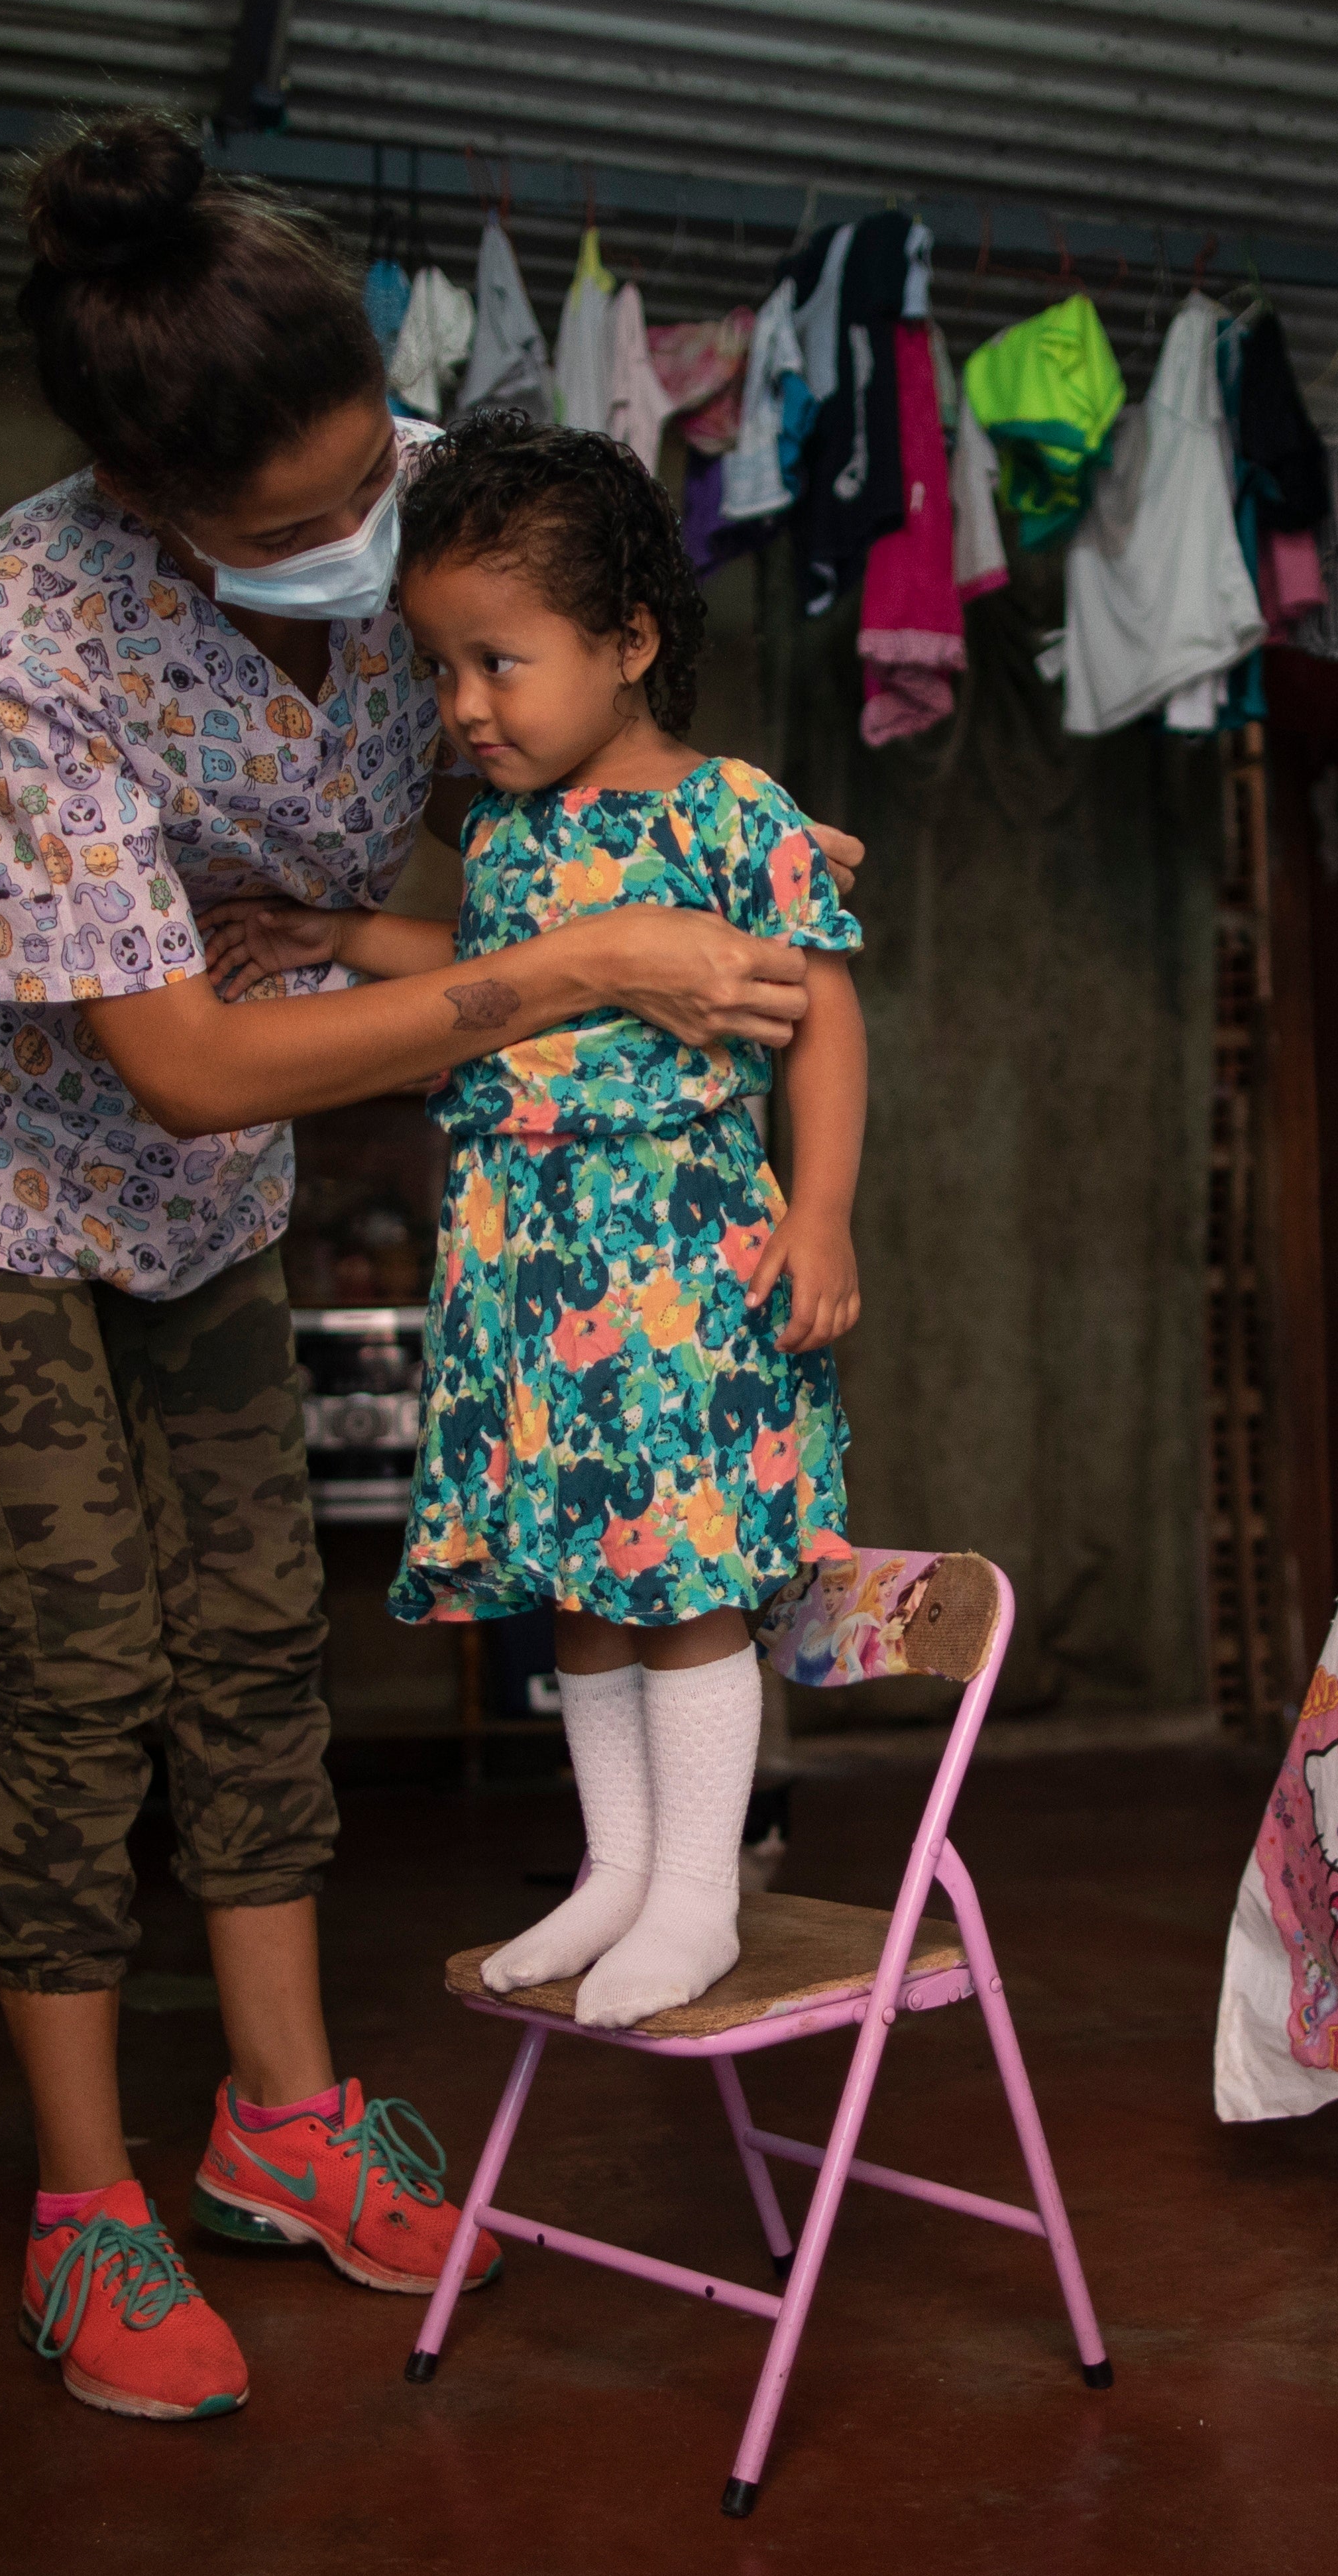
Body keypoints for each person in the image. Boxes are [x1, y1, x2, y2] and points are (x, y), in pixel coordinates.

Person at [0, 112, 849, 2426]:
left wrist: (713, 851)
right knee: (83, 1640)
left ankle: (277, 2109)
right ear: (155, 516)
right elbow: (170, 1057)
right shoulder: (32, 624)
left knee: (262, 1612)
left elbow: (588, 769)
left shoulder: (447, 512)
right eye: (301, 529)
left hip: (220, 1127)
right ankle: (84, 2195)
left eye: (376, 470)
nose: (368, 549)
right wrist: (558, 979)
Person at [200, 414, 864, 2027]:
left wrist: (828, 1214)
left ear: (629, 641)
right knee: (580, 1568)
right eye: (438, 672)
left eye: (497, 664)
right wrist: (331, 927)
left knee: (683, 1567)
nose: (462, 709)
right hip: (520, 1254)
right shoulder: (505, 831)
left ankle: (702, 1890)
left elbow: (826, 1012)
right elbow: (481, 961)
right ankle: (617, 1872)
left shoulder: (729, 814)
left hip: (682, 1248)